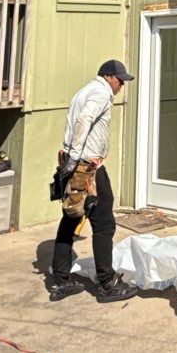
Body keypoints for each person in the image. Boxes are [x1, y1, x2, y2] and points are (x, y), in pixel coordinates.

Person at [46, 59, 140, 302]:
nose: (121, 85)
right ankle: (107, 283)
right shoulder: (100, 93)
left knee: (71, 216)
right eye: (120, 80)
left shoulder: (83, 91)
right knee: (104, 224)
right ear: (108, 76)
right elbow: (83, 120)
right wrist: (77, 158)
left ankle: (60, 280)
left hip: (75, 162)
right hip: (88, 167)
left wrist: (70, 160)